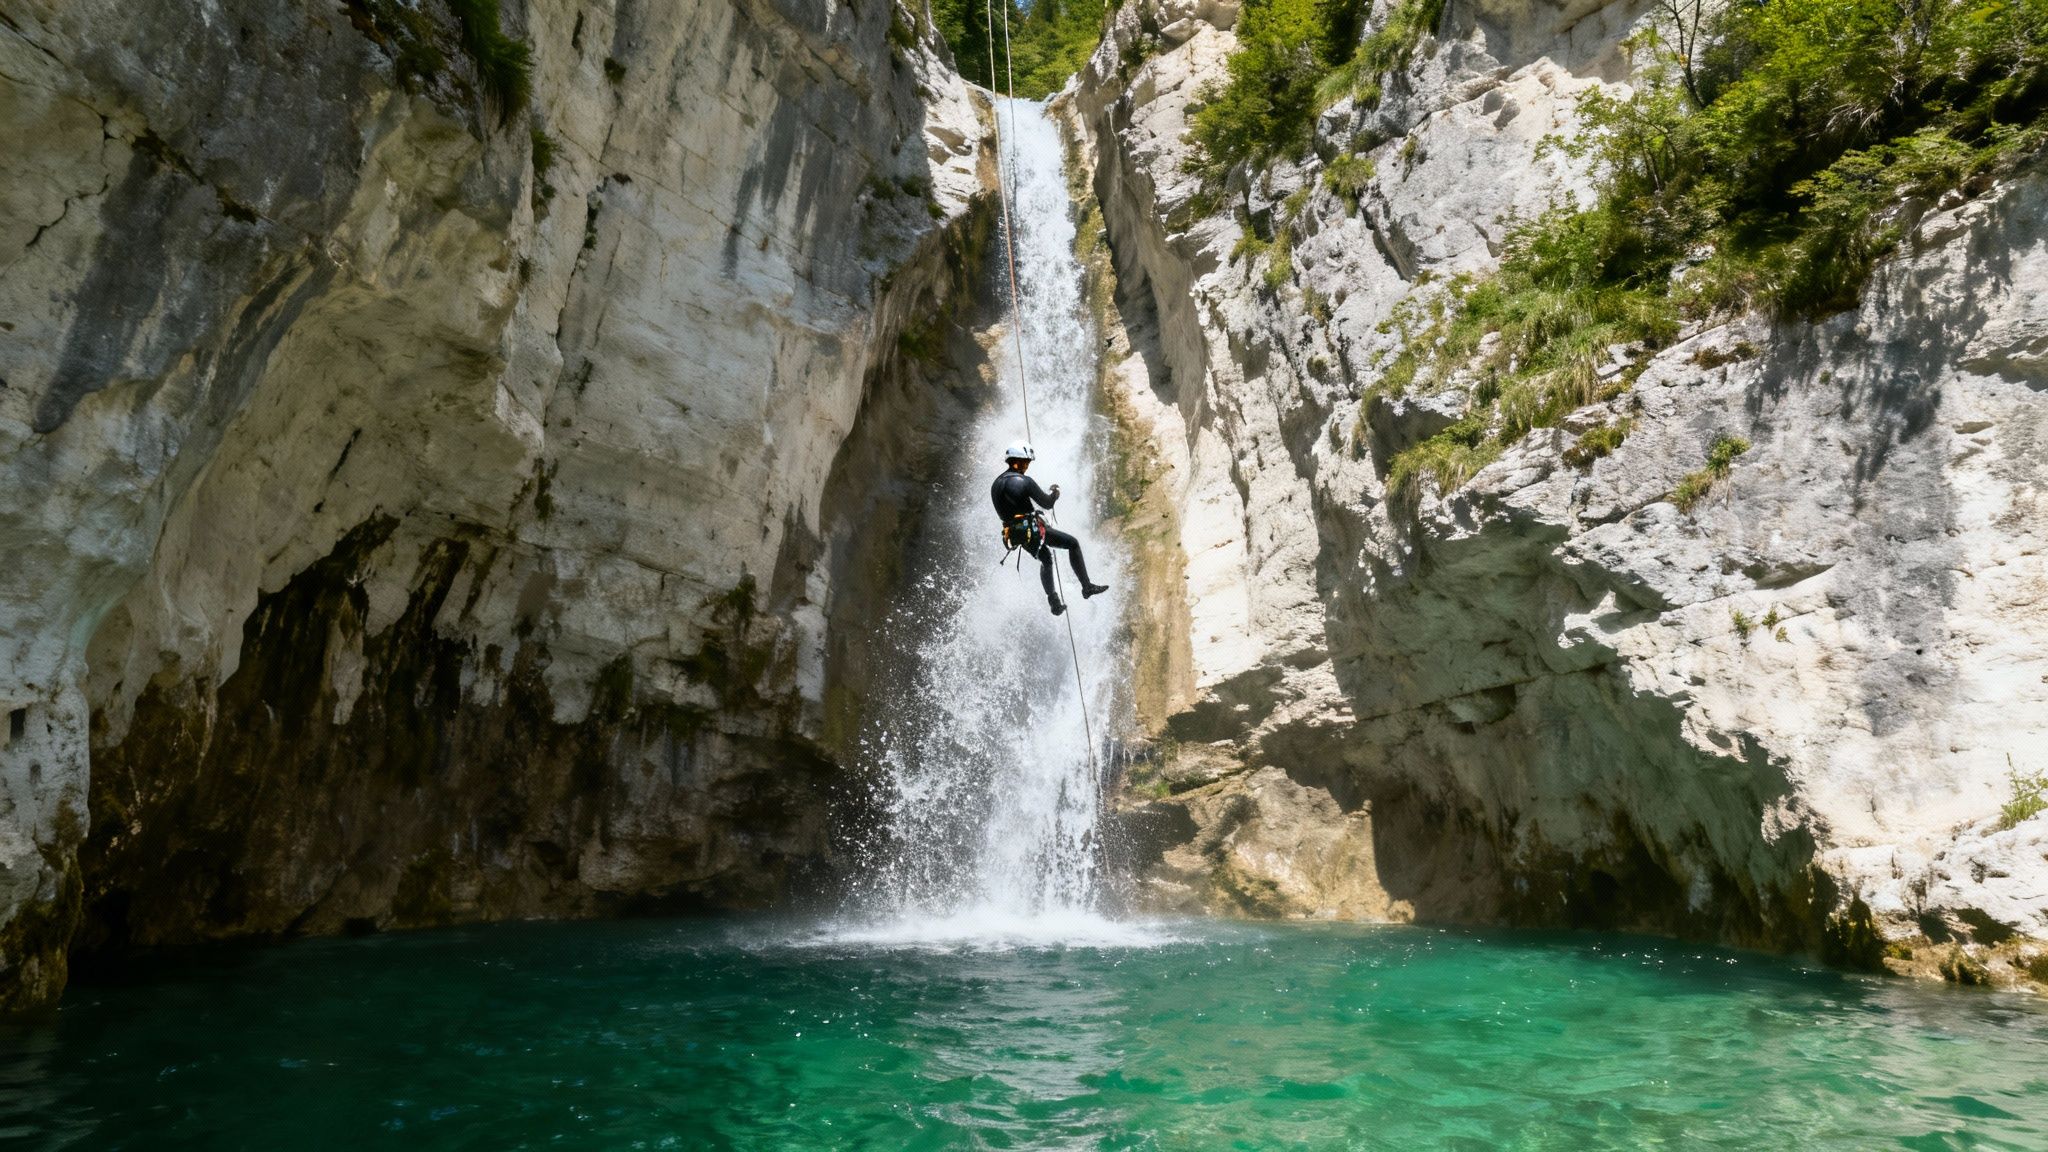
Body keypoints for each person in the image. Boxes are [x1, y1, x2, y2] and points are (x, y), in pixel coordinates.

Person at [992, 441, 1108, 616]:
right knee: (1073, 544)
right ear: (1019, 461)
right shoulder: (1024, 481)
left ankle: (1054, 602)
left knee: (1046, 558)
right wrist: (1056, 493)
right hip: (1031, 529)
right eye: (1026, 462)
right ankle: (1087, 587)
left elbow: (1011, 508)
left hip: (1015, 535)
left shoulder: (996, 484)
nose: (1027, 466)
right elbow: (1046, 503)